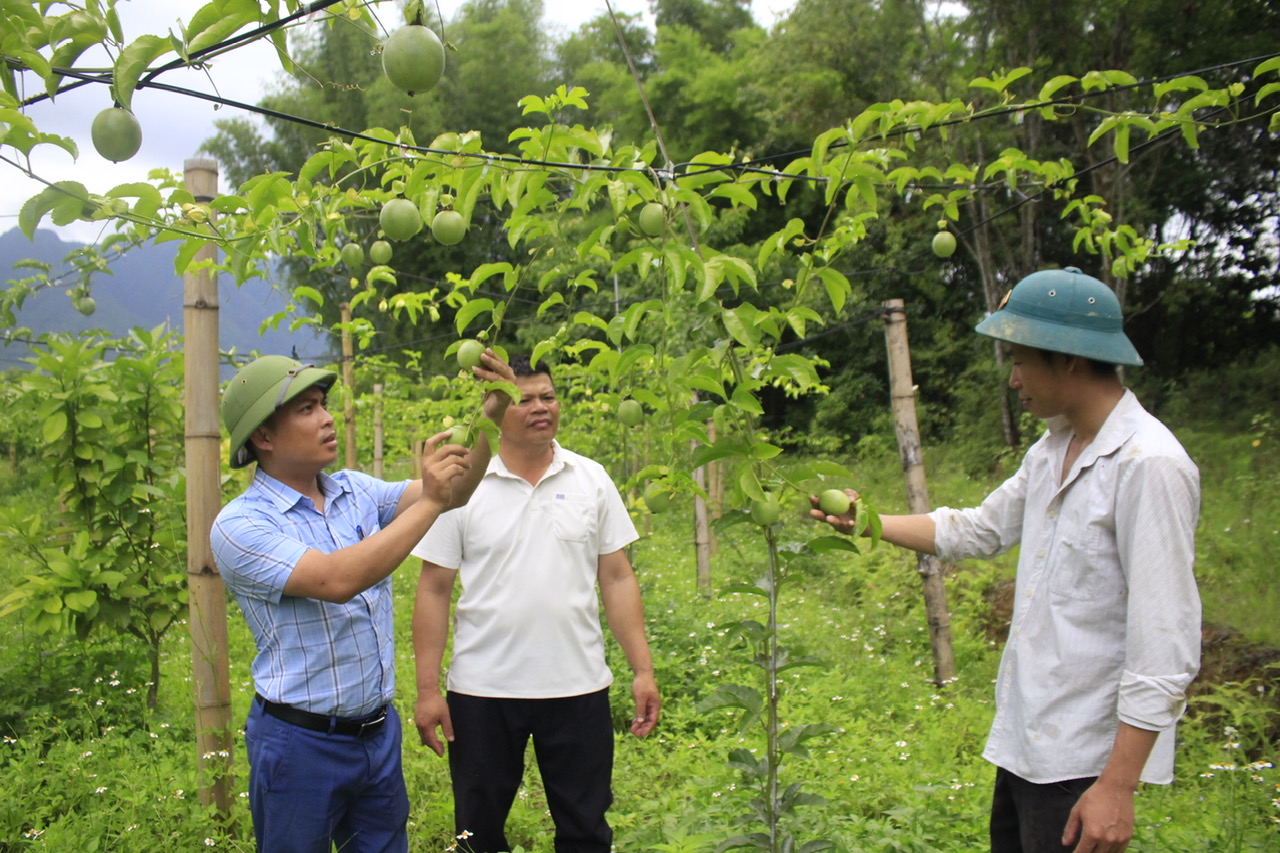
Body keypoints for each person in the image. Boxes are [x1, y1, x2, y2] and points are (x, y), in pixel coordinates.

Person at [812, 267, 1201, 853]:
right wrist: (866, 523)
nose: (1014, 379)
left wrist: (1117, 786)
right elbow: (978, 529)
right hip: (1028, 746)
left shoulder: (1149, 466)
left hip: (1083, 764)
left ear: (1069, 359)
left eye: (1020, 360)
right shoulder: (1055, 448)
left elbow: (1166, 644)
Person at [210, 350, 514, 853]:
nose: (327, 417)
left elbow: (454, 492)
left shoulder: (354, 490)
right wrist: (433, 501)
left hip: (375, 733)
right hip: (299, 742)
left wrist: (493, 413)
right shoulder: (240, 526)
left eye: (322, 404)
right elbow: (334, 580)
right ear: (263, 437)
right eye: (306, 408)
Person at [411, 355, 661, 853]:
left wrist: (643, 670)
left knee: (586, 829)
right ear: (496, 411)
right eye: (524, 399)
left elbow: (615, 577)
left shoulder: (590, 478)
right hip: (483, 691)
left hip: (578, 686)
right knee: (476, 833)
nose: (540, 407)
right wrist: (426, 690)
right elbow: (434, 588)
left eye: (547, 396)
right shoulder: (461, 489)